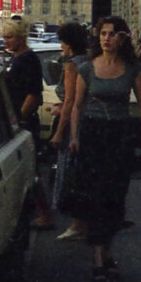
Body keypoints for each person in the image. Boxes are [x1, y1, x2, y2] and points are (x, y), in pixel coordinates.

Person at [67, 15, 141, 282]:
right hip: (93, 136)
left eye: (111, 34)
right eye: (102, 33)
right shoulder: (86, 68)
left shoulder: (131, 69)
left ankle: (107, 253)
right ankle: (98, 260)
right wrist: (74, 136)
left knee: (115, 196)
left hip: (120, 136)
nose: (106, 38)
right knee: (96, 196)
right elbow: (76, 106)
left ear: (122, 38)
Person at [1, 18, 56, 230]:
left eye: (9, 37)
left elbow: (33, 95)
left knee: (31, 168)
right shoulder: (16, 58)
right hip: (17, 120)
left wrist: (18, 120)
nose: (5, 41)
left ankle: (45, 213)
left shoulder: (28, 59)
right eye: (5, 37)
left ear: (21, 38)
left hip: (23, 122)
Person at [50, 21, 91, 241]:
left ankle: (77, 223)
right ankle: (84, 221)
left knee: (70, 173)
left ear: (69, 43)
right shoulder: (88, 60)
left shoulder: (71, 65)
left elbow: (70, 100)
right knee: (83, 174)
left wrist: (58, 133)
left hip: (73, 125)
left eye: (62, 42)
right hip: (88, 121)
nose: (61, 47)